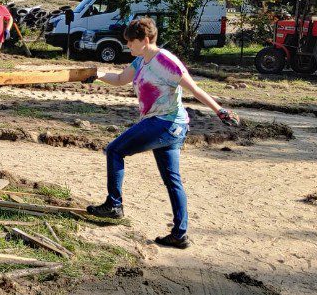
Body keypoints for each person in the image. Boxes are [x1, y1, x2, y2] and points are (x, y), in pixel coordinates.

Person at [85, 17, 239, 249]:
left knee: (115, 150)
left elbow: (194, 89)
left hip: (165, 123)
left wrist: (220, 110)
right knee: (172, 180)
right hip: (167, 125)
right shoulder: (140, 61)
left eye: (131, 42)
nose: (128, 46)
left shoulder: (165, 61)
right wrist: (97, 75)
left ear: (145, 40)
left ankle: (114, 205)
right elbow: (119, 79)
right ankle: (179, 234)